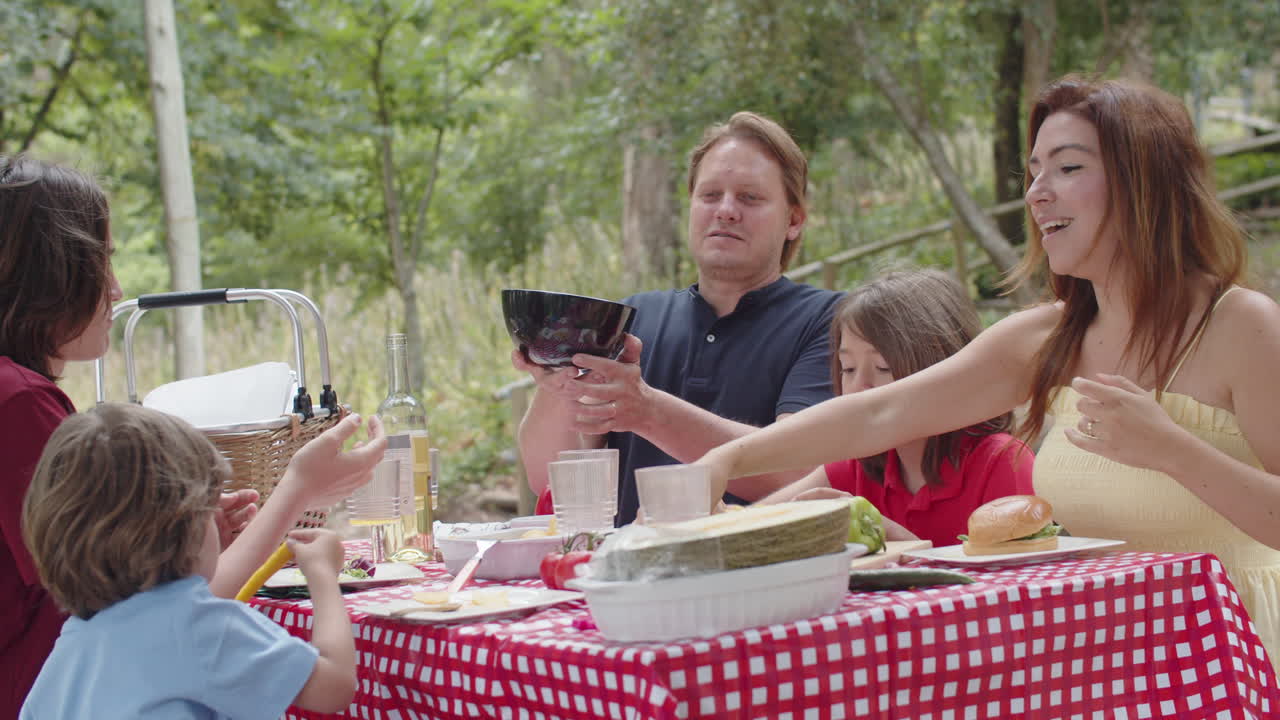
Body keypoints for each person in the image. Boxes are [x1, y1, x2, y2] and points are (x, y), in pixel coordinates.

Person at [696, 75, 1280, 673]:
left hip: (1235, 661)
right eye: (1034, 173)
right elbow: (880, 411)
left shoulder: (1244, 327)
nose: (1037, 194)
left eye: (1068, 168)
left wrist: (1173, 450)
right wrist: (726, 463)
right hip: (1100, 668)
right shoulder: (1044, 338)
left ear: (1143, 181)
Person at [0, 154, 387, 713]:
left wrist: (170, 533)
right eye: (99, 263)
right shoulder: (18, 401)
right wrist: (298, 489)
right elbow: (152, 613)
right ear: (49, 273)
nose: (115, 288)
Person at [513, 111, 843, 525]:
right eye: (709, 195)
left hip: (762, 576)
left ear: (794, 220)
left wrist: (647, 410)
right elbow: (546, 478)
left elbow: (804, 469)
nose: (725, 210)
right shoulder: (628, 318)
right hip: (628, 575)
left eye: (749, 198)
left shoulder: (830, 322)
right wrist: (559, 383)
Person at [20, 403, 357, 717]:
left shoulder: (71, 645)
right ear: (187, 525)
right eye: (208, 509)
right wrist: (323, 576)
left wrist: (196, 551)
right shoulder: (201, 625)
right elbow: (334, 686)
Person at [756, 269, 1034, 548]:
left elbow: (1022, 585)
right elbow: (749, 528)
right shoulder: (854, 468)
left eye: (882, 367)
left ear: (943, 368)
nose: (859, 388)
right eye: (848, 368)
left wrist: (890, 537)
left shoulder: (1003, 463)